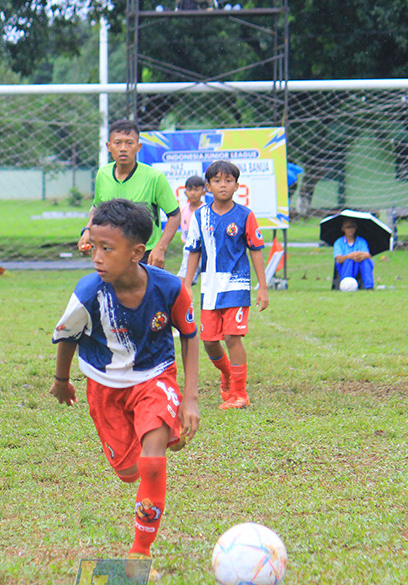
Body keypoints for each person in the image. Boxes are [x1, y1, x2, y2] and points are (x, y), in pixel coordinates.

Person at [51, 198, 199, 578]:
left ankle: (139, 555)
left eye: (106, 249)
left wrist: (191, 399)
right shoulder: (88, 294)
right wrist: (61, 381)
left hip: (155, 377)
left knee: (152, 464)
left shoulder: (169, 288)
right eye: (93, 246)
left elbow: (189, 335)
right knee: (130, 471)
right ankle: (161, 434)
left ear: (137, 253)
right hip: (104, 387)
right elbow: (67, 336)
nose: (96, 257)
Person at [183, 160, 268, 410]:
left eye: (228, 180)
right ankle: (228, 374)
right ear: (208, 186)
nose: (223, 185)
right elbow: (194, 251)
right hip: (210, 287)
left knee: (232, 336)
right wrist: (187, 285)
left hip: (237, 284)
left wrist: (262, 287)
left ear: (237, 186)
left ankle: (240, 394)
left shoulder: (245, 215)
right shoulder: (200, 216)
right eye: (217, 181)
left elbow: (256, 251)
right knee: (209, 340)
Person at [78, 119, 182, 269]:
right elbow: (97, 209)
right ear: (109, 146)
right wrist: (87, 231)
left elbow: (175, 215)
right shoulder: (103, 174)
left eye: (129, 143)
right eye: (117, 143)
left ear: (138, 147)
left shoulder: (154, 177)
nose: (123, 148)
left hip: (145, 254)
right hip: (112, 253)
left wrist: (160, 248)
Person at [176, 174, 207, 282]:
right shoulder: (183, 210)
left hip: (205, 250)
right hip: (189, 249)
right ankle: (187, 298)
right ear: (185, 192)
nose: (193, 193)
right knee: (183, 280)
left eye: (197, 190)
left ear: (203, 192)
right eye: (190, 190)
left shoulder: (206, 210)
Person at [335, 218, 376, 289]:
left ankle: (369, 286)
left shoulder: (361, 241)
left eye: (352, 227)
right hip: (345, 267)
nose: (350, 229)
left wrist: (360, 256)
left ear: (356, 228)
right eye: (348, 227)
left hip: (359, 265)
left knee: (366, 261)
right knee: (349, 261)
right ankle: (346, 285)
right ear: (343, 229)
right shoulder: (339, 242)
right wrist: (349, 256)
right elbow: (338, 259)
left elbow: (367, 254)